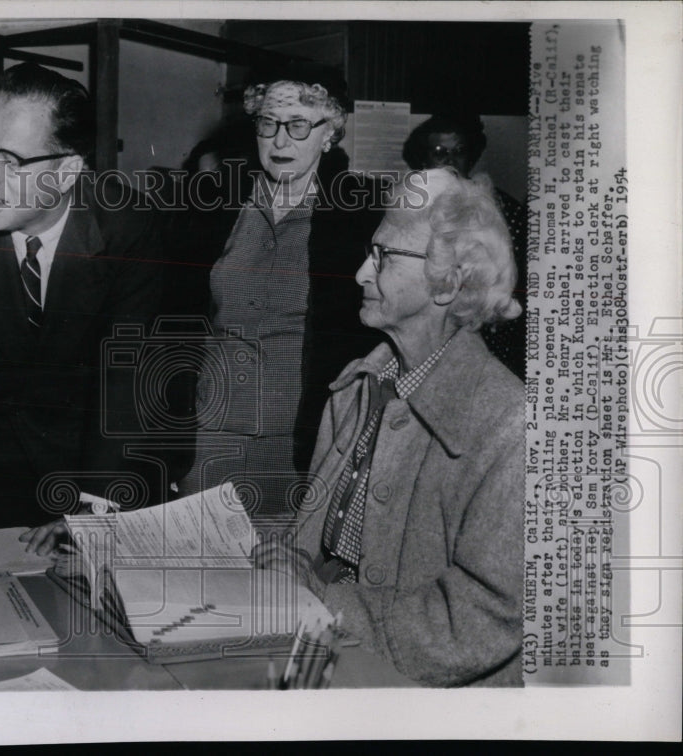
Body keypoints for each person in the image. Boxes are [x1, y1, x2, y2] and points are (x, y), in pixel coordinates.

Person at [255, 168, 525, 686]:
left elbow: (475, 623)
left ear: (449, 281)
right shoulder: (361, 386)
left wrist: (317, 595)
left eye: (383, 256)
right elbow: (314, 543)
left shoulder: (511, 426)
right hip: (327, 650)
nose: (360, 272)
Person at [0, 63, 163, 562]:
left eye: (13, 161)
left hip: (96, 469)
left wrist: (95, 504)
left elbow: (126, 385)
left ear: (68, 171)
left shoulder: (129, 231)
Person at [174, 62, 381, 519]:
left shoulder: (361, 217)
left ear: (331, 133)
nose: (281, 140)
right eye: (268, 123)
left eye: (299, 125)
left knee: (286, 581)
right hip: (209, 438)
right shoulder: (214, 207)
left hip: (302, 448)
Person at [402, 112, 527, 378]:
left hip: (488, 333)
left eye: (459, 151)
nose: (450, 160)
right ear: (423, 158)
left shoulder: (502, 208)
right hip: (428, 328)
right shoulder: (410, 208)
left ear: (471, 156)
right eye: (439, 152)